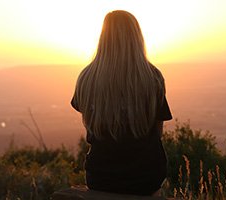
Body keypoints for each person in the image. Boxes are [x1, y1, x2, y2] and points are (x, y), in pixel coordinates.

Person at [71, 10, 173, 196]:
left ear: (103, 37)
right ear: (136, 38)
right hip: (146, 177)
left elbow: (90, 124)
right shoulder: (153, 78)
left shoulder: (86, 78)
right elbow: (158, 133)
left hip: (101, 177)